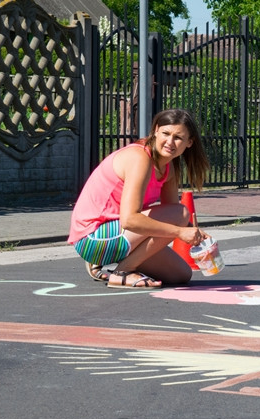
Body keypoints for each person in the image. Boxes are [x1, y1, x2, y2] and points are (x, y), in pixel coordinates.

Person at [69, 109, 210, 288]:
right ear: (156, 131)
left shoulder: (168, 167)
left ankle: (117, 263)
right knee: (181, 213)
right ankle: (123, 271)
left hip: (117, 234)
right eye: (166, 134)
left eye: (178, 138)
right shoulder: (139, 158)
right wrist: (180, 232)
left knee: (181, 274)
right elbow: (130, 220)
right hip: (92, 239)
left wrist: (197, 235)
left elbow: (174, 220)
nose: (170, 142)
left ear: (189, 142)